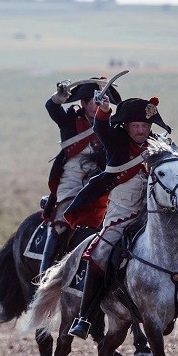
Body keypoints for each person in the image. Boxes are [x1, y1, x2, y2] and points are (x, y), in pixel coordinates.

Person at [64, 96, 171, 339]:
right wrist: (103, 110)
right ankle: (84, 317)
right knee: (99, 253)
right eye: (135, 126)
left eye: (145, 125)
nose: (141, 130)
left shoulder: (159, 145)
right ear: (126, 126)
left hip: (152, 216)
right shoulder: (116, 141)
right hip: (121, 216)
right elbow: (101, 128)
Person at [39, 78, 120, 275]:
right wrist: (59, 98)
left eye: (102, 99)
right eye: (94, 100)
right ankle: (44, 277)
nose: (98, 103)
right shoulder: (70, 119)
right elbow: (52, 108)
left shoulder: (112, 124)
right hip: (72, 180)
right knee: (60, 225)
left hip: (101, 183)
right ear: (83, 102)